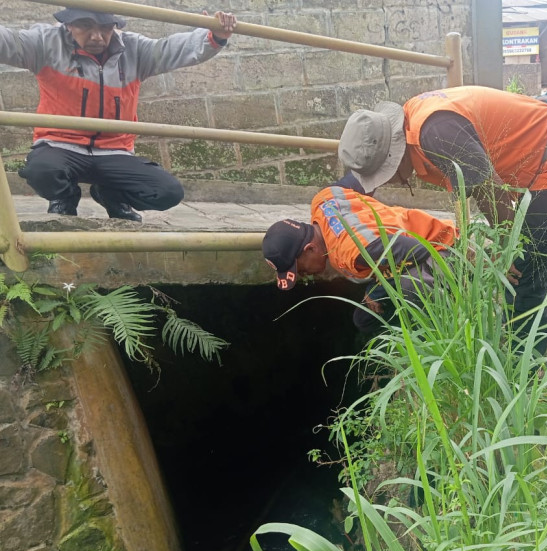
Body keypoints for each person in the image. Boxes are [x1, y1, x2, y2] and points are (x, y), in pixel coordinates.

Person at [337, 85, 547, 353]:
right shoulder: (413, 122)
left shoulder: (435, 133)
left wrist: (506, 248)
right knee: (539, 255)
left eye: (385, 174)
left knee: (525, 266)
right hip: (536, 157)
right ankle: (545, 323)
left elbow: (490, 190)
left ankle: (525, 368)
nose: (390, 181)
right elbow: (476, 185)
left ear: (393, 155)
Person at [0, 7, 237, 222]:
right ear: (68, 25)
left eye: (105, 27)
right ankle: (64, 199)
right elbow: (9, 42)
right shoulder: (46, 44)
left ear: (114, 27)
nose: (97, 36)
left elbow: (169, 49)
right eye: (85, 26)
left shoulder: (133, 49)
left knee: (168, 192)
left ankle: (110, 194)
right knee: (41, 170)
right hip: (60, 146)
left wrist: (213, 35)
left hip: (114, 152)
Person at [262, 184, 457, 334]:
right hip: (409, 249)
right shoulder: (321, 201)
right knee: (365, 318)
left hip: (443, 248)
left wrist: (378, 290)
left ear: (310, 248)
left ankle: (437, 336)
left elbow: (420, 249)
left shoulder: (354, 251)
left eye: (300, 270)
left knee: (410, 288)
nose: (304, 275)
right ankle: (404, 339)